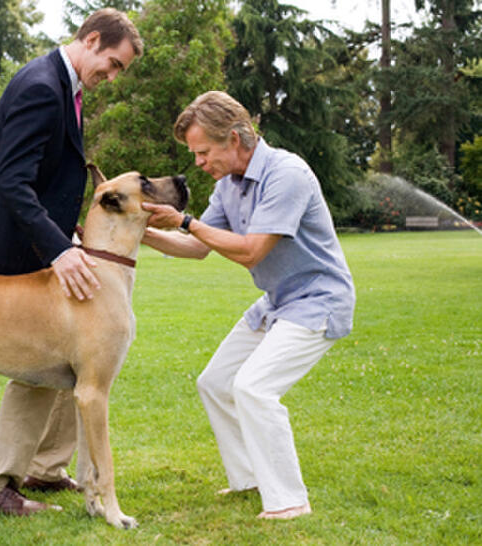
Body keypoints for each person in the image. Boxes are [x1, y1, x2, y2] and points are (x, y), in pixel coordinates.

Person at [0, 8, 143, 516]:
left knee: (75, 352)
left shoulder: (63, 83)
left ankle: (46, 467)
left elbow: (44, 176)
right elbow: (12, 181)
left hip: (41, 241)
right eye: (113, 63)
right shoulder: (42, 84)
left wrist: (69, 234)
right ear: (93, 39)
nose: (111, 76)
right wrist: (59, 249)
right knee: (35, 368)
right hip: (15, 250)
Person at [141, 91, 355, 520]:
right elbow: (197, 247)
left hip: (318, 300)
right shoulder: (228, 186)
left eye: (203, 152)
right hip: (276, 302)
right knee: (216, 382)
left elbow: (251, 251)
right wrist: (133, 230)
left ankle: (289, 501)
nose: (199, 163)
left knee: (254, 388)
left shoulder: (286, 174)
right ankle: (249, 479)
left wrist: (184, 219)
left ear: (235, 139)